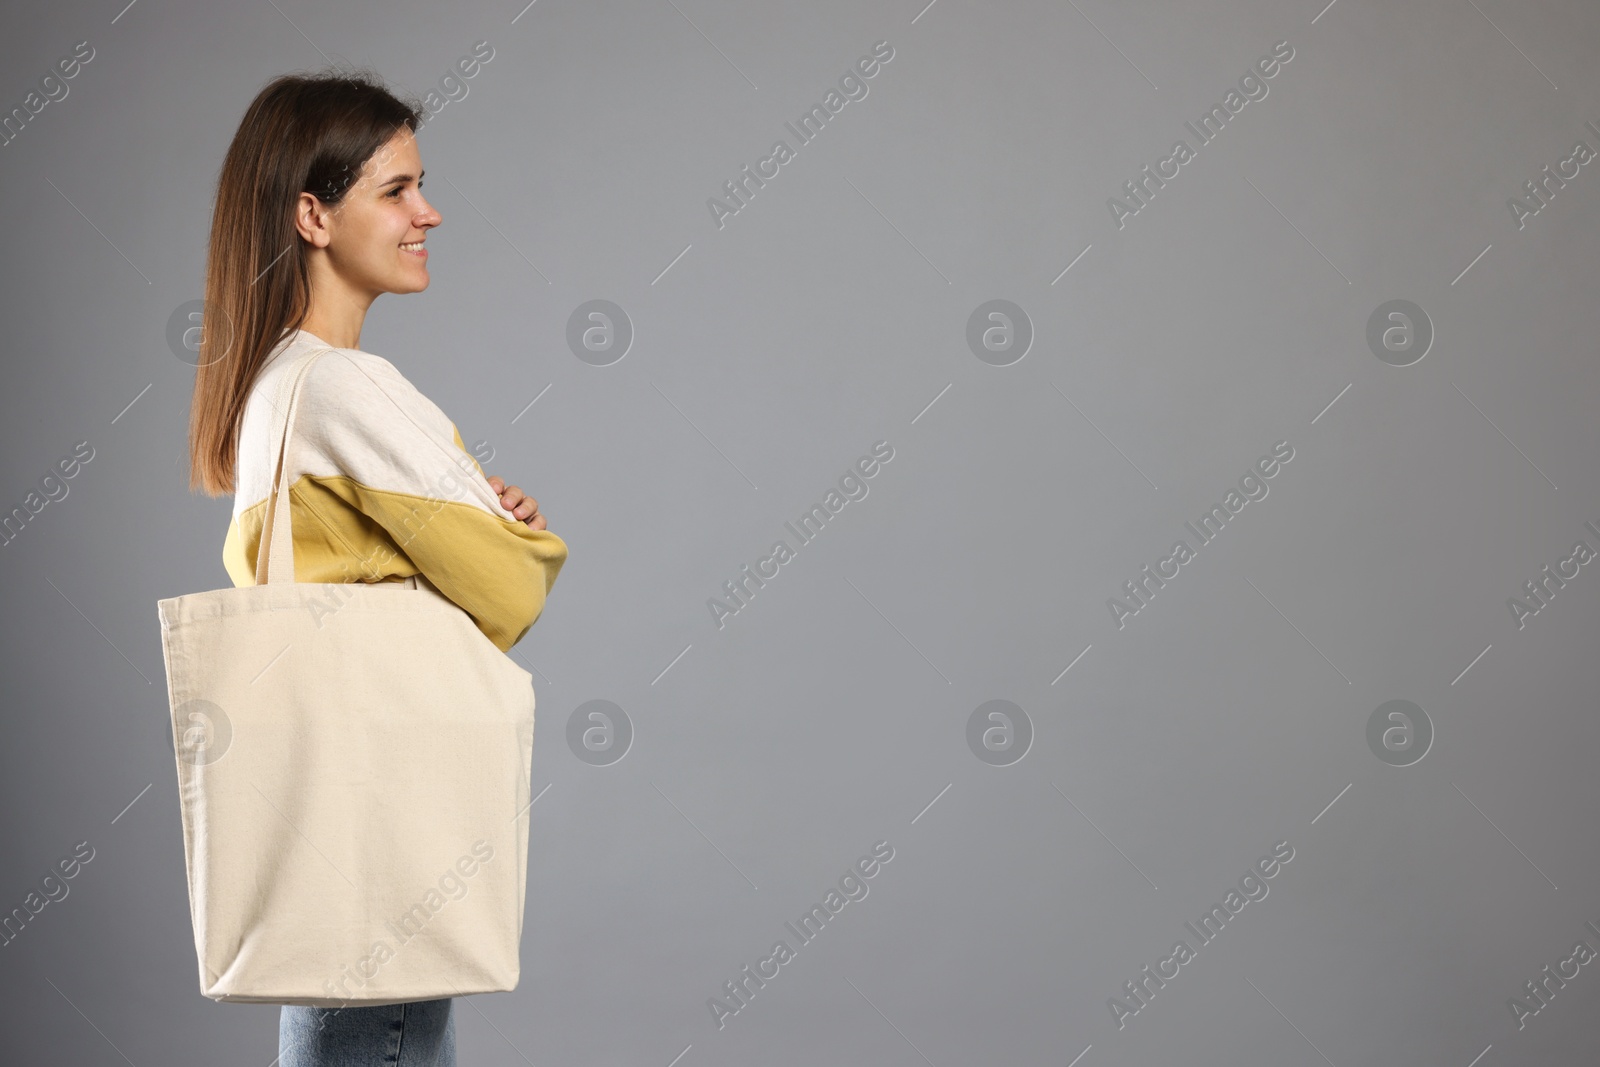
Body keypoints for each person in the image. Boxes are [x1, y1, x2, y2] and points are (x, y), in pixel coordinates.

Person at [184, 70, 569, 1066]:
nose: (427, 212)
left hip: (333, 853)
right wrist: (505, 531)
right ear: (313, 214)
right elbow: (515, 583)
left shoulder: (273, 387)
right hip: (387, 851)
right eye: (396, 190)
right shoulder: (349, 387)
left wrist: (460, 527)